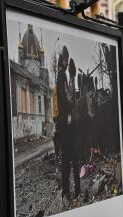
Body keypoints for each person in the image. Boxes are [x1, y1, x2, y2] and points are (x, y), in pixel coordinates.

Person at [56, 46, 80, 201]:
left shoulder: (62, 75)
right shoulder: (61, 75)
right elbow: (65, 99)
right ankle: (66, 191)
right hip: (66, 124)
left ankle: (71, 189)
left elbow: (67, 97)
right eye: (66, 58)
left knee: (70, 157)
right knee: (67, 159)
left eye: (67, 58)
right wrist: (71, 110)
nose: (66, 61)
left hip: (67, 123)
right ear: (63, 59)